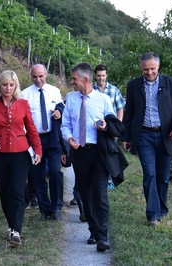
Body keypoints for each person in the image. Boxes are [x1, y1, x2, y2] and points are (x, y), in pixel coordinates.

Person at [0, 70, 42, 247]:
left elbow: (32, 129)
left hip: (21, 155)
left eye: (11, 85)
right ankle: (11, 226)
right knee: (5, 193)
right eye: (4, 85)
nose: (8, 88)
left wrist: (38, 150)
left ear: (16, 86)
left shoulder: (23, 104)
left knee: (18, 192)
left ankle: (16, 231)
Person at [121, 52, 172, 226]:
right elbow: (129, 113)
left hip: (166, 136)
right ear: (141, 68)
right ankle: (153, 216)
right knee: (149, 174)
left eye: (152, 69)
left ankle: (161, 209)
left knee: (163, 177)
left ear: (158, 67)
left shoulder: (171, 83)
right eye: (146, 69)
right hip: (144, 136)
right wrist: (126, 136)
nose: (149, 72)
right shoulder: (134, 85)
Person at [61, 62, 116, 252]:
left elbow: (115, 125)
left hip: (99, 152)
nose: (72, 82)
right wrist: (69, 138)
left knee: (100, 194)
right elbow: (65, 125)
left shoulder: (103, 100)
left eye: (74, 79)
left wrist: (105, 126)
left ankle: (102, 235)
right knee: (85, 195)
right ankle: (93, 229)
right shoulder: (71, 99)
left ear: (85, 79)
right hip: (79, 152)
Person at [21, 64, 65, 221]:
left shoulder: (54, 91)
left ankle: (57, 206)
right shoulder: (24, 94)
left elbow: (61, 106)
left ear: (46, 75)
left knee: (55, 171)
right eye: (34, 77)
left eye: (41, 76)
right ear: (30, 76)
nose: (38, 80)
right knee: (37, 175)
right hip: (34, 139)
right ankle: (45, 210)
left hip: (52, 138)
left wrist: (60, 111)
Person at [93, 64, 126, 189]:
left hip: (110, 127)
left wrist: (117, 125)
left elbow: (120, 108)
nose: (101, 78)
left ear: (106, 75)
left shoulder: (113, 90)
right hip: (96, 127)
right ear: (95, 76)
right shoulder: (92, 90)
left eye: (103, 75)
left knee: (110, 152)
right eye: (98, 76)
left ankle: (110, 178)